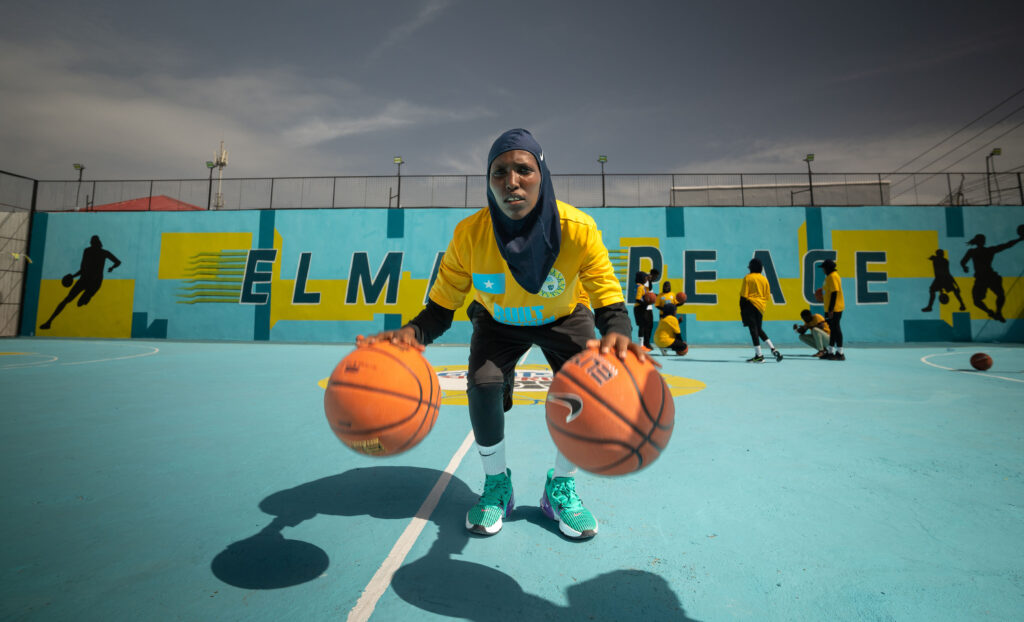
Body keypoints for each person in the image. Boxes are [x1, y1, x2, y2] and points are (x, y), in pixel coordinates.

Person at [359, 129, 646, 540]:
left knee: (591, 388)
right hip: (498, 321)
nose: (511, 181)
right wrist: (412, 333)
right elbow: (441, 307)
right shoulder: (470, 235)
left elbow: (606, 292)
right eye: (499, 172)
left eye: (524, 170)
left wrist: (617, 329)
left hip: (563, 317)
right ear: (489, 181)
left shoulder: (578, 229)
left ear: (542, 175)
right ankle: (497, 485)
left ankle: (560, 487)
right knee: (483, 383)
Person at [40, 235, 121, 330]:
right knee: (67, 300)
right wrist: (73, 276)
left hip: (94, 283)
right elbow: (83, 269)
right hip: (86, 280)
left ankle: (86, 297)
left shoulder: (100, 252)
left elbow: (117, 262)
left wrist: (112, 267)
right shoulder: (90, 251)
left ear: (94, 243)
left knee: (78, 303)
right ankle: (49, 322)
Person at [959, 233, 1022, 322]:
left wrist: (964, 267)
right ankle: (994, 312)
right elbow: (1006, 245)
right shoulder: (983, 251)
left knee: (991, 297)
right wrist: (1019, 239)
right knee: (991, 297)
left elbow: (1006, 245)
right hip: (986, 277)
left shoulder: (978, 251)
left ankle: (995, 312)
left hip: (985, 277)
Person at [739, 257, 782, 363]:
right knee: (758, 329)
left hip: (750, 305)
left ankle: (759, 356)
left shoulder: (748, 278)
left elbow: (744, 295)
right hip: (761, 307)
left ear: (751, 268)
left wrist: (742, 309)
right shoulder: (764, 279)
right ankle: (773, 349)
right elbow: (767, 296)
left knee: (753, 330)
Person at [820, 258, 845, 360]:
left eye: (824, 268)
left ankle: (840, 353)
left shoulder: (833, 276)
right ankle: (830, 352)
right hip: (829, 308)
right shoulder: (829, 277)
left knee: (836, 329)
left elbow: (835, 292)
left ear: (828, 268)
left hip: (835, 309)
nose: (823, 270)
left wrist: (831, 309)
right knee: (833, 330)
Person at [632, 271, 654, 349]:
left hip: (640, 307)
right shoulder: (640, 287)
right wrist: (646, 304)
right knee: (642, 326)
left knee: (644, 326)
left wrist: (650, 281)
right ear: (641, 278)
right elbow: (638, 299)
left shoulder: (641, 286)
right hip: (639, 308)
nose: (646, 279)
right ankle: (641, 345)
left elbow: (649, 289)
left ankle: (643, 344)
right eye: (645, 277)